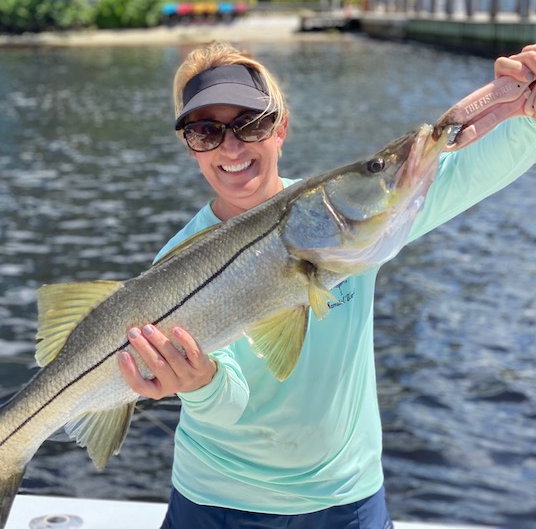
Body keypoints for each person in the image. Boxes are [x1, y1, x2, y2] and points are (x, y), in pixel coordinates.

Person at [117, 41, 536, 529]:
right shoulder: (176, 264)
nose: (231, 147)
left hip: (346, 502)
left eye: (250, 124)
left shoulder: (354, 225)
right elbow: (228, 402)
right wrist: (200, 386)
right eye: (205, 131)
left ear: (281, 129)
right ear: (190, 146)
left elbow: (475, 170)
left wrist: (528, 112)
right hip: (215, 505)